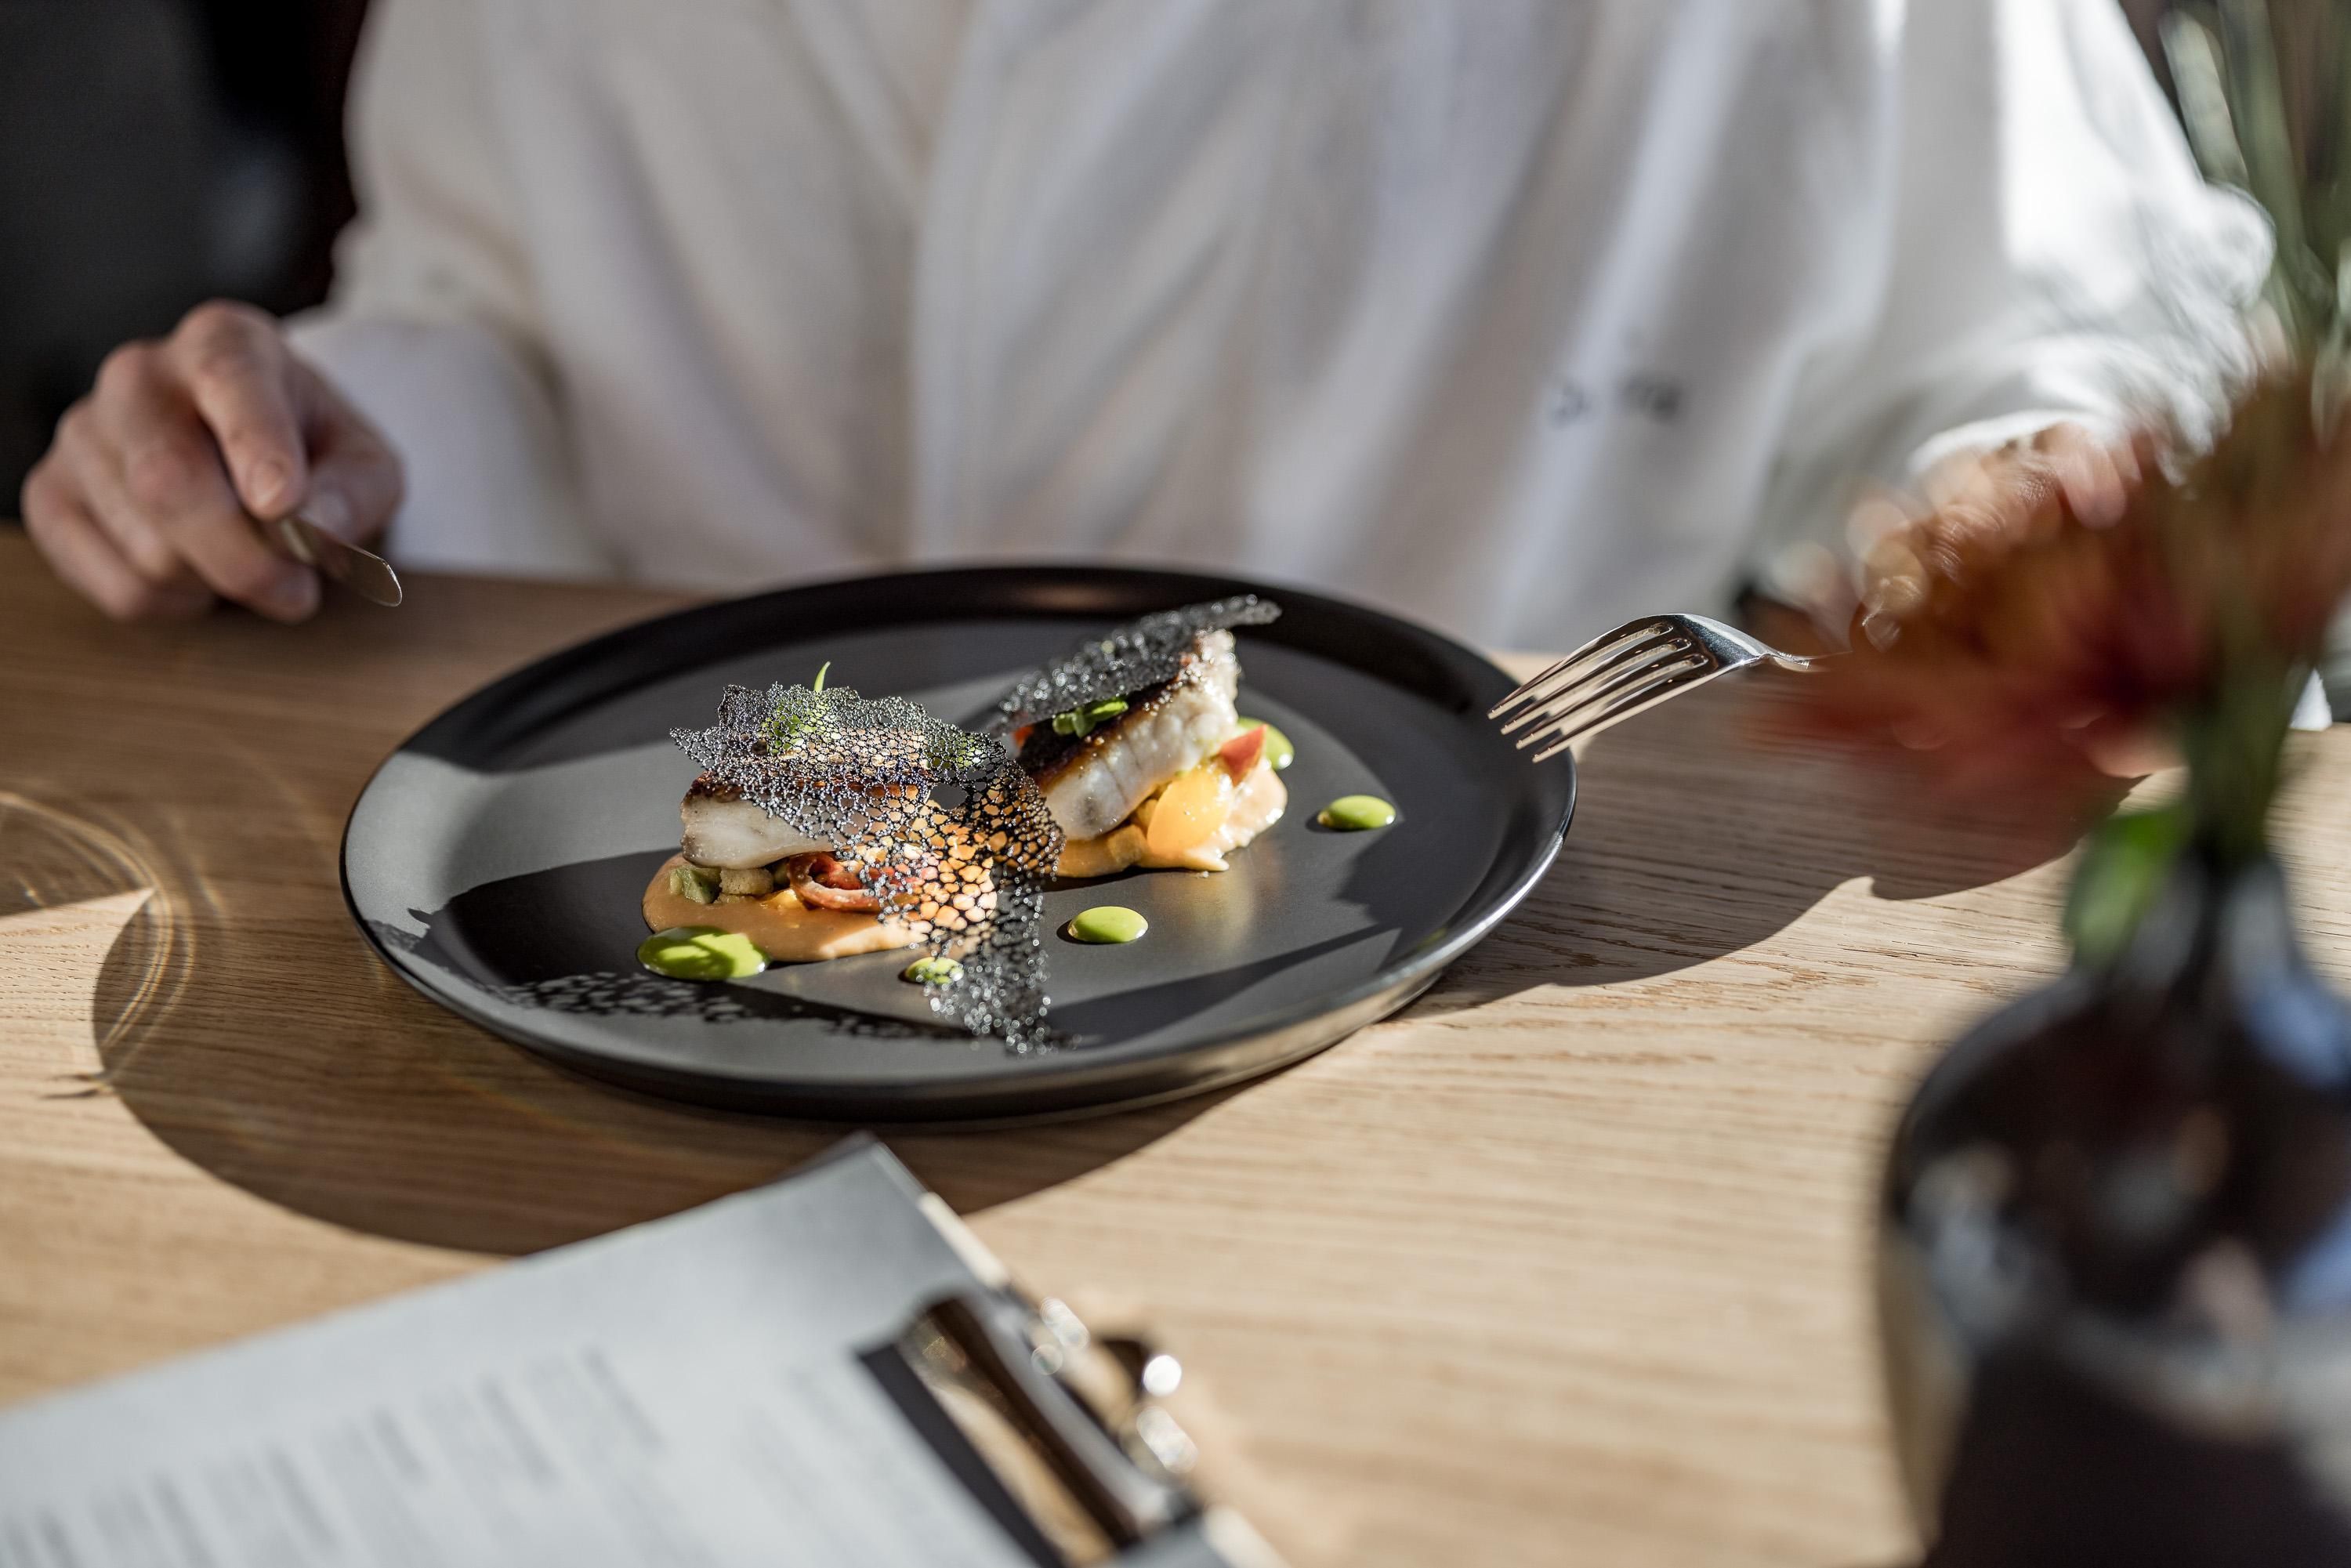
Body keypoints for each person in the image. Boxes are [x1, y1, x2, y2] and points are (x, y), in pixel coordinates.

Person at [20, 0, 2265, 651]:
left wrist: (2024, 509)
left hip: (1474, 993)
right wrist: (314, 446)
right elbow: (501, 322)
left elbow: (2070, 345)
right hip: (693, 939)